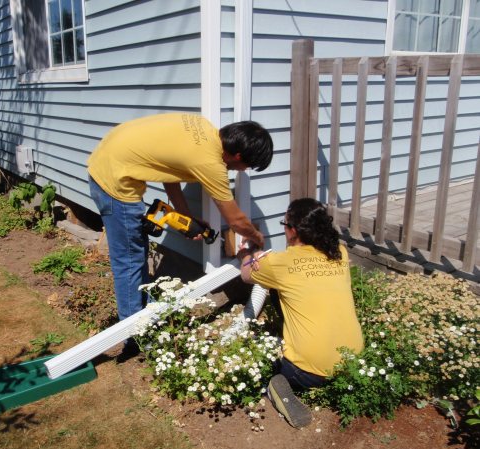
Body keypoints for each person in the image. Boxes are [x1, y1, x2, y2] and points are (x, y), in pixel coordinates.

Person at [87, 112, 273, 356]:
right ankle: (136, 335)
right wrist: (259, 240)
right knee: (129, 261)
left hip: (109, 158)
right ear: (238, 156)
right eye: (246, 166)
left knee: (136, 253)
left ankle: (141, 311)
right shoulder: (210, 162)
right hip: (113, 181)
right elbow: (236, 220)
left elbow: (168, 173)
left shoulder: (205, 130)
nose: (243, 170)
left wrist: (186, 217)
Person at [237, 198, 363, 428]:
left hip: (307, 372)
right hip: (352, 362)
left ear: (293, 230)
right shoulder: (339, 252)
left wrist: (248, 253)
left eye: (284, 225)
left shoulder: (278, 263)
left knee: (266, 348)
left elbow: (246, 275)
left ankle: (278, 385)